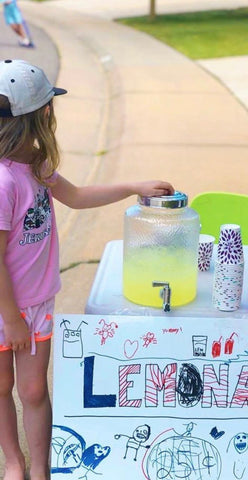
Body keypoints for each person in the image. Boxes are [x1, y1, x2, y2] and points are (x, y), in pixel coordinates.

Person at [0, 59, 174, 480]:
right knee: (1, 388)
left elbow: (77, 197)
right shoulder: (4, 182)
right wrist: (11, 319)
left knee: (34, 390)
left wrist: (133, 186)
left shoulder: (37, 166)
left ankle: (39, 467)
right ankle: (13, 462)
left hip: (37, 303)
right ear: (41, 115)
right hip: (6, 309)